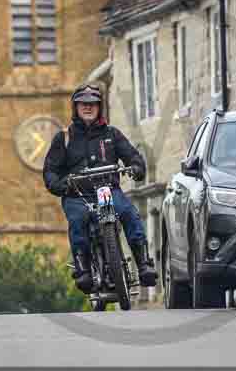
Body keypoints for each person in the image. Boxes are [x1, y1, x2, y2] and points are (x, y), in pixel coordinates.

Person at [43, 83, 157, 293]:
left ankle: (143, 264)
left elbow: (132, 156)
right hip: (77, 195)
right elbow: (50, 170)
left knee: (129, 214)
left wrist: (137, 166)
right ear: (75, 108)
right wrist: (59, 185)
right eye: (83, 104)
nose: (88, 108)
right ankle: (83, 268)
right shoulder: (64, 138)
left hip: (108, 190)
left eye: (93, 104)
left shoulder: (112, 134)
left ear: (99, 107)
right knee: (78, 220)